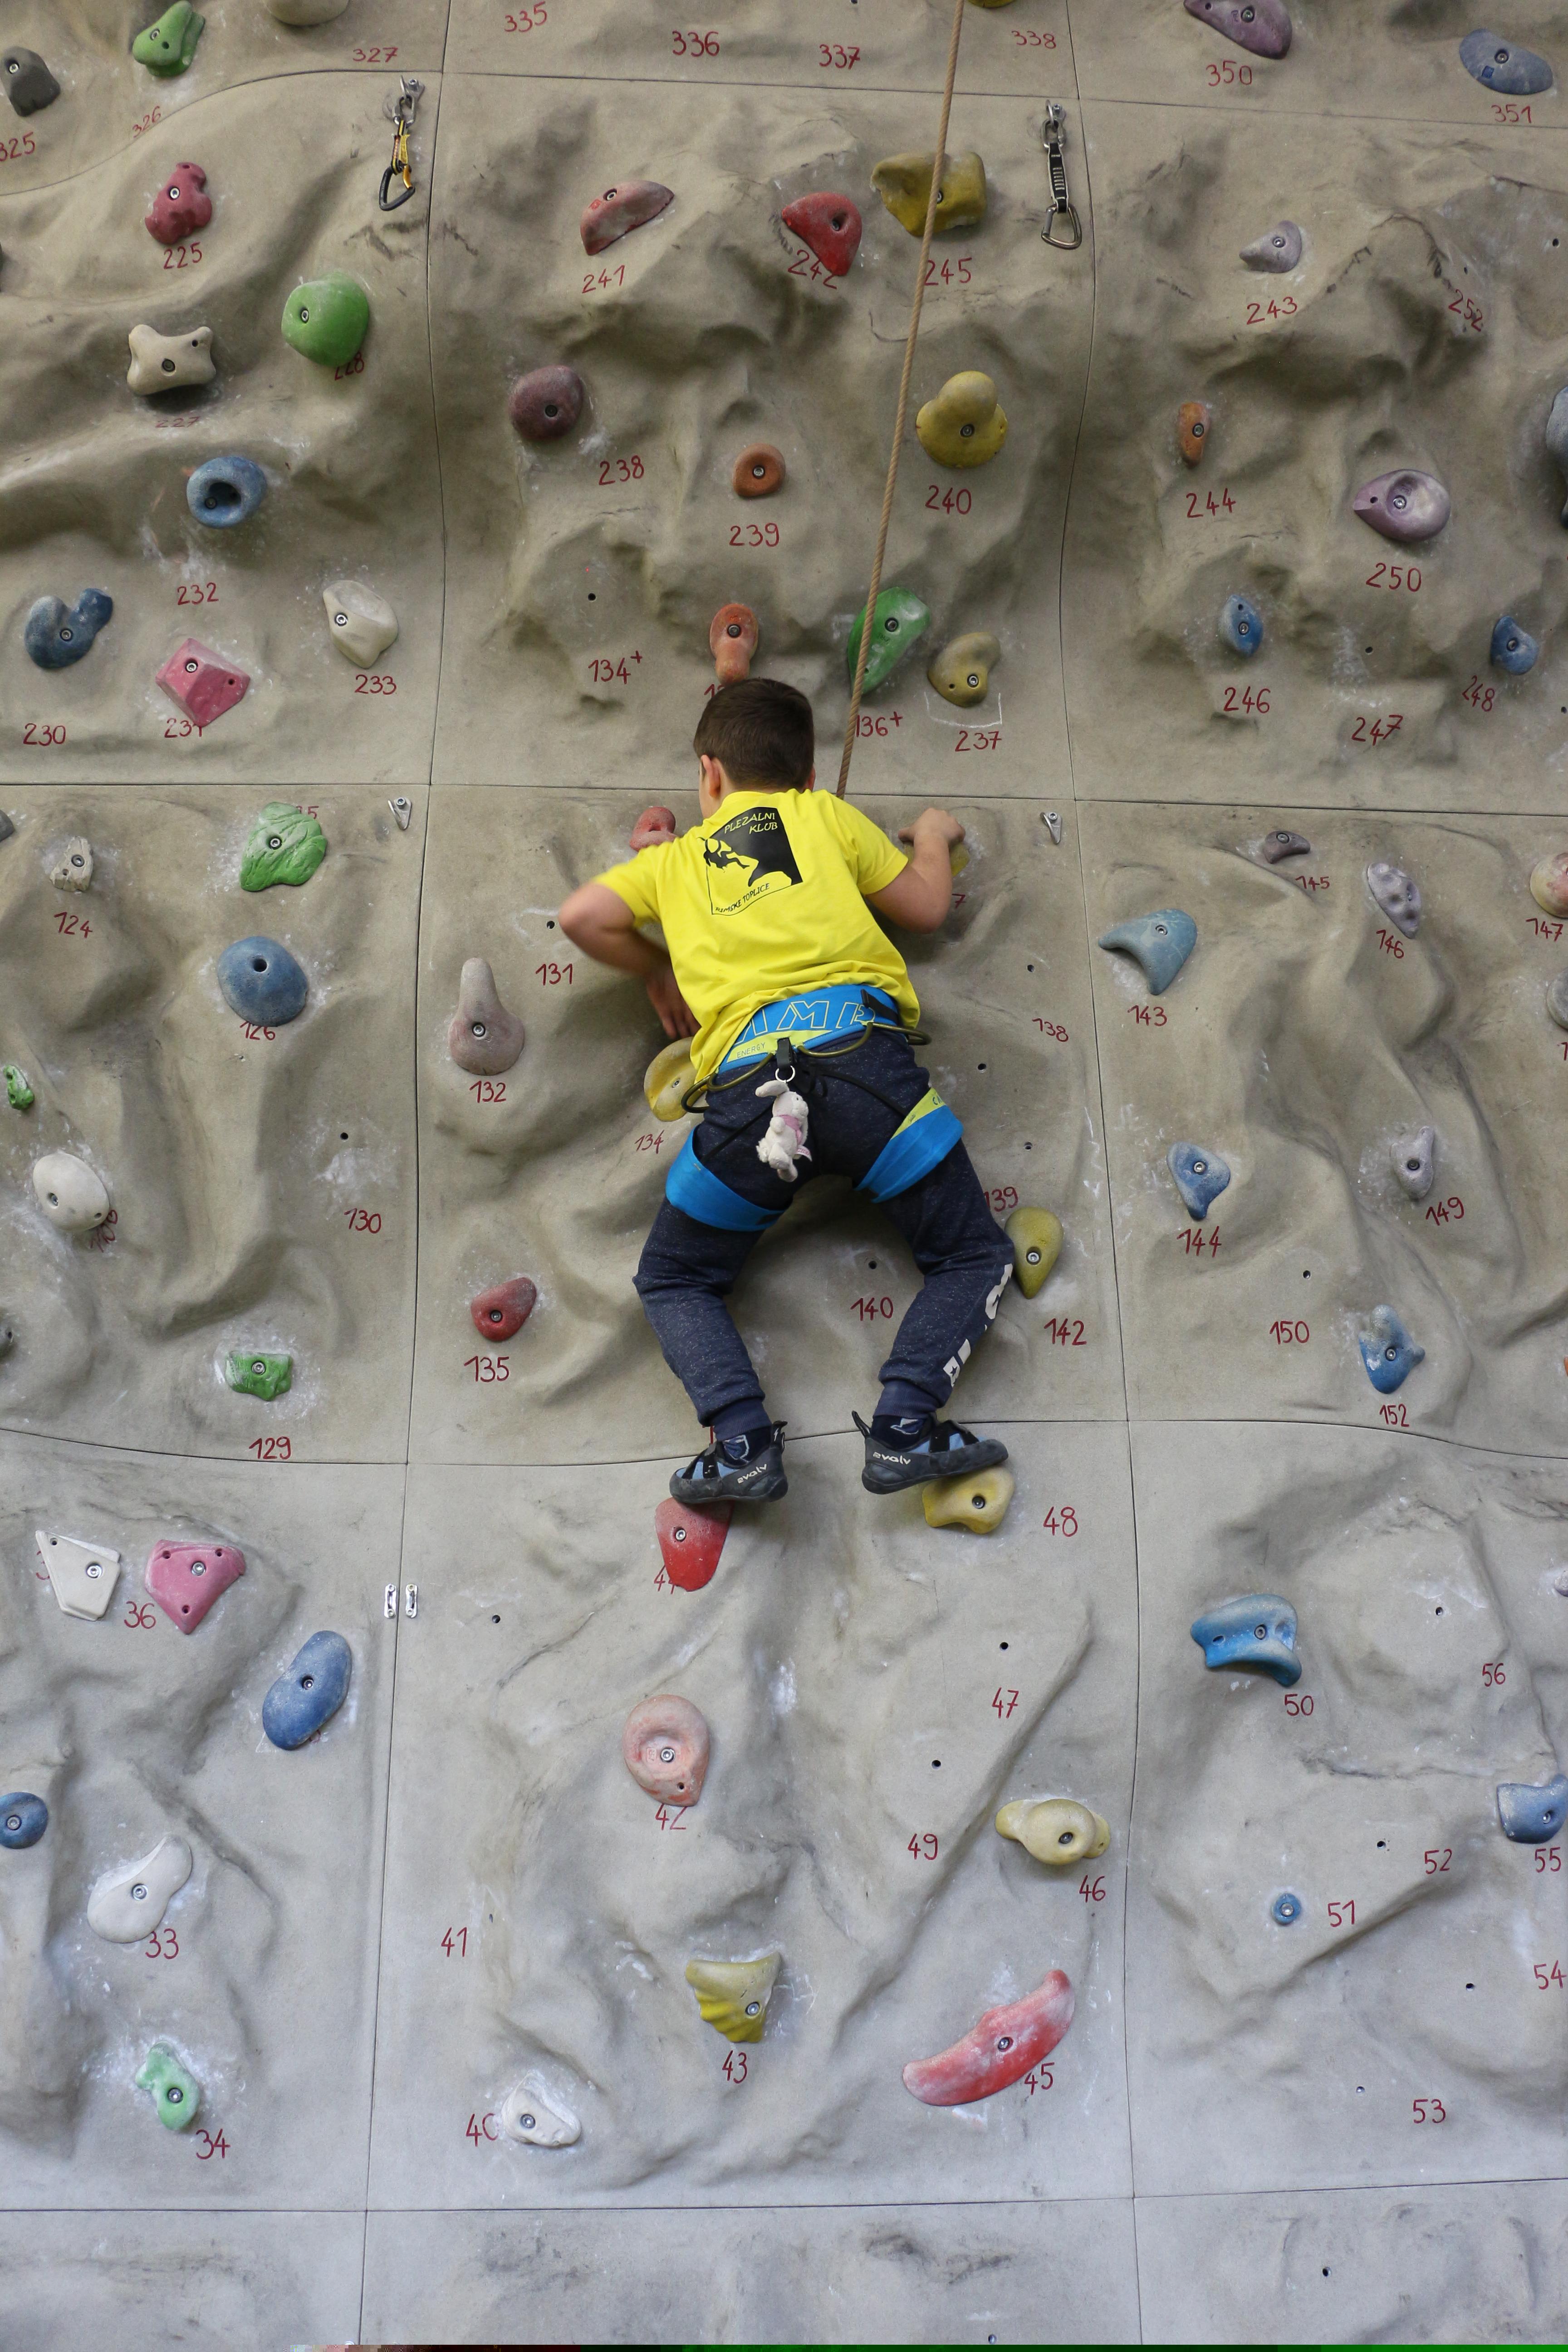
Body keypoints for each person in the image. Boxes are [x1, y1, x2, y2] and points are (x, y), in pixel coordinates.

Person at [558, 677, 1014, 1506]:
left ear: (709, 775)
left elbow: (583, 916)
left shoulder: (673, 863)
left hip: (752, 1100)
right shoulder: (824, 817)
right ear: (805, 778)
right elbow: (925, 907)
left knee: (675, 1278)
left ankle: (740, 1445)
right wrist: (934, 835)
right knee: (974, 1255)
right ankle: (906, 1425)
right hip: (870, 1075)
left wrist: (657, 968)